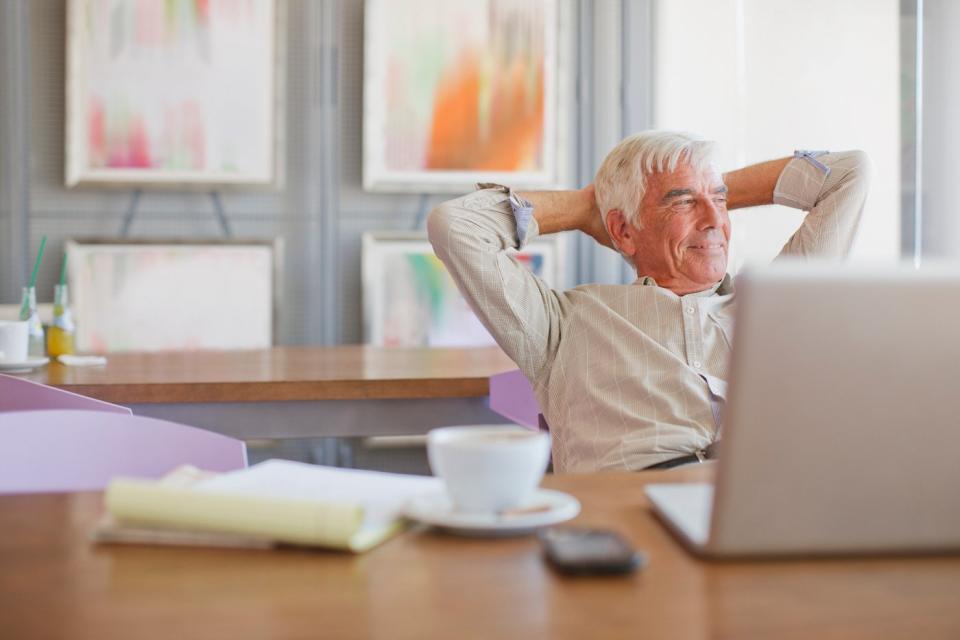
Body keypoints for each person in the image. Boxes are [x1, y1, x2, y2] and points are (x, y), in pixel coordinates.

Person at [428, 131, 870, 472]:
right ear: (622, 231)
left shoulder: (772, 308)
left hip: (759, 518)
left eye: (721, 201)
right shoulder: (564, 325)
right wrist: (589, 206)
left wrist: (700, 182)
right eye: (683, 204)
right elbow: (456, 226)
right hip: (629, 526)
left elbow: (850, 173)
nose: (717, 219)